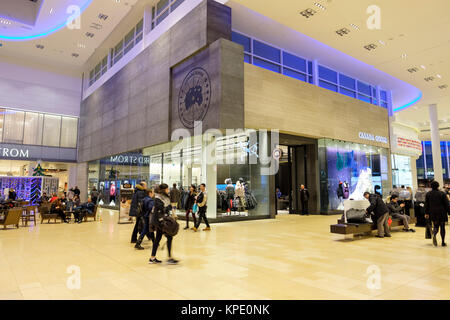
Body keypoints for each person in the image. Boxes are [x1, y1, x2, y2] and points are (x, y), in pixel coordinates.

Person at [149, 183, 179, 265]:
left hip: (162, 220)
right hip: (161, 221)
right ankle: (169, 258)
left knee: (159, 238)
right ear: (164, 190)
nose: (168, 190)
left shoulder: (165, 197)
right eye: (167, 189)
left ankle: (152, 257)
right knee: (169, 237)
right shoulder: (158, 198)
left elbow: (167, 207)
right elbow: (161, 209)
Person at [425, 181, 450, 247]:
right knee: (442, 227)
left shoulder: (428, 194)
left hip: (433, 212)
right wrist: (449, 212)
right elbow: (446, 204)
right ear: (438, 186)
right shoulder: (442, 193)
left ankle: (434, 234)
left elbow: (426, 204)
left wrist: (426, 213)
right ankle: (443, 242)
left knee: (436, 226)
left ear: (431, 186)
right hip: (442, 212)